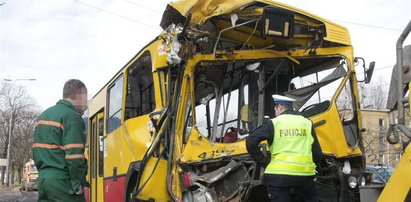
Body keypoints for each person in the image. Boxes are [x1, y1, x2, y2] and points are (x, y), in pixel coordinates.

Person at [246, 94, 323, 202]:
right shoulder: (307, 123)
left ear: (280, 107)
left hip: (279, 177)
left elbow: (250, 141)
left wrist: (265, 161)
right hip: (305, 176)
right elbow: (318, 154)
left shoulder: (274, 123)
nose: (275, 111)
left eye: (275, 108)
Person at [33, 79, 88, 202]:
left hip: (44, 181)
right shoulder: (71, 116)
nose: (86, 103)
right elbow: (75, 156)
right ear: (79, 95)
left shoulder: (43, 116)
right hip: (63, 182)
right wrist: (77, 182)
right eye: (85, 98)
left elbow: (36, 151)